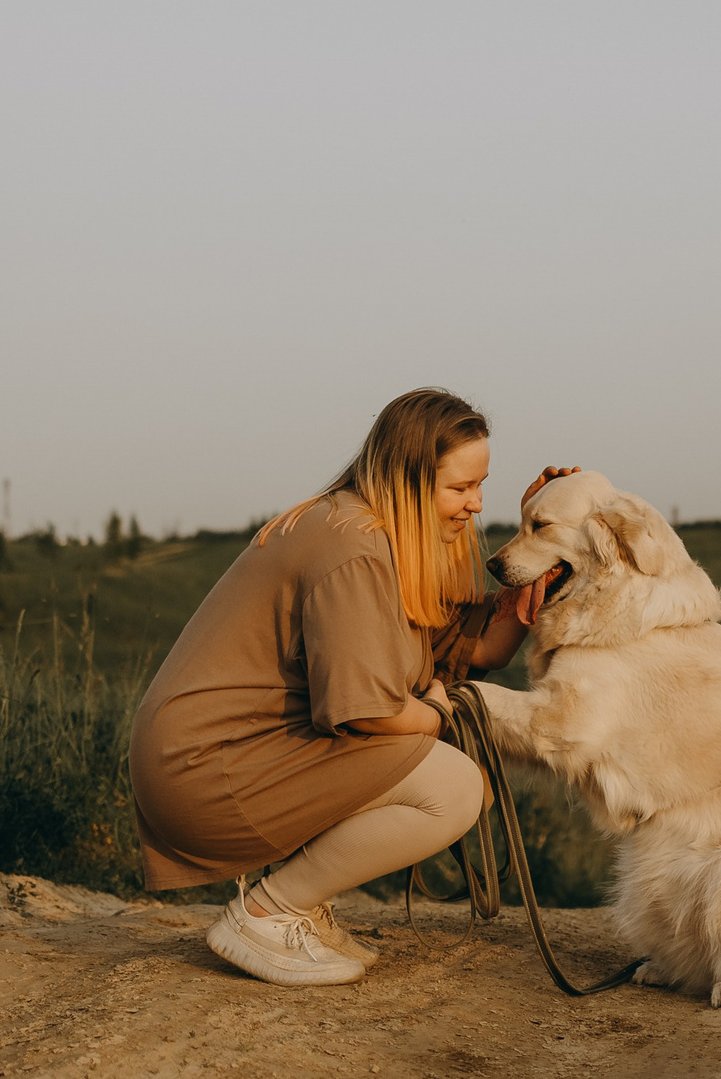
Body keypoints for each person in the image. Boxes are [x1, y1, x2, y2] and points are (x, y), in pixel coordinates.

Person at [128, 388, 572, 986]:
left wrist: (535, 541)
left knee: (452, 776)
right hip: (208, 769)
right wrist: (436, 715)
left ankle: (295, 905)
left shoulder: (378, 532)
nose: (476, 504)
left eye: (481, 485)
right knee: (455, 786)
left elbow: (484, 647)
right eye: (460, 488)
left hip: (223, 757)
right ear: (408, 479)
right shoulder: (353, 547)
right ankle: (268, 912)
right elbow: (371, 717)